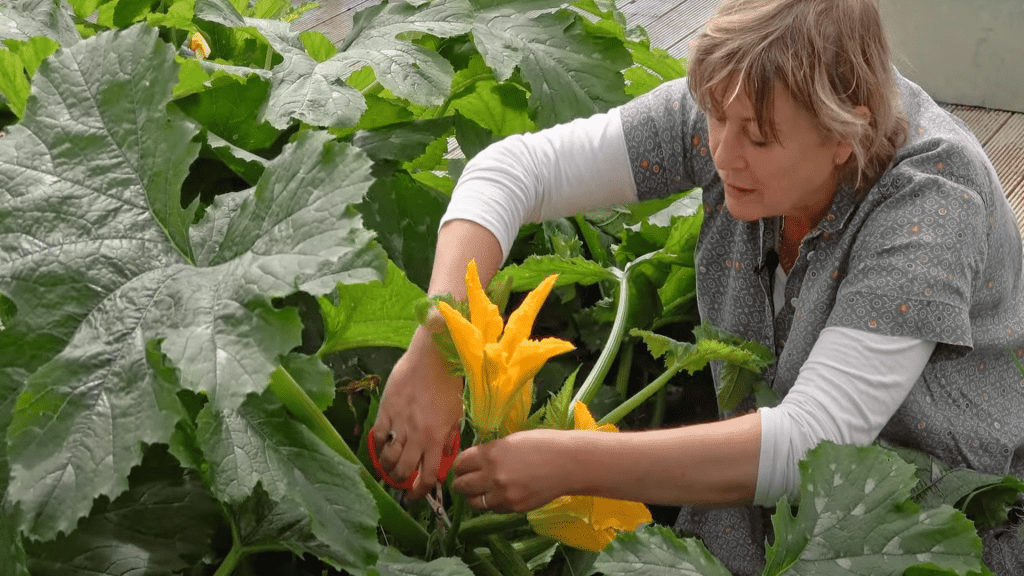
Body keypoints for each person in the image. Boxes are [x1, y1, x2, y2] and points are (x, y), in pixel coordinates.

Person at [371, 0, 1024, 573]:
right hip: (756, 488)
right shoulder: (741, 102)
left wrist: (571, 462)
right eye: (714, 118)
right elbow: (509, 171)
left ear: (842, 133)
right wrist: (439, 343)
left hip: (921, 513)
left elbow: (810, 443)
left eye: (760, 141)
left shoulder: (931, 203)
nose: (722, 153)